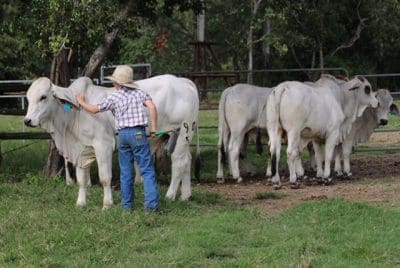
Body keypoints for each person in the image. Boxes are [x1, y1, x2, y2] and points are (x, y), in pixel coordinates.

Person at [76, 65, 160, 212]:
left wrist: (81, 101)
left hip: (122, 136)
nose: (113, 84)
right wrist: (153, 128)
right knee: (147, 171)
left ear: (118, 84)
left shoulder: (114, 97)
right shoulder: (140, 93)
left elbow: (95, 109)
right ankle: (151, 207)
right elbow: (152, 107)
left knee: (126, 172)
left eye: (114, 82)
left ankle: (127, 206)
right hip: (139, 134)